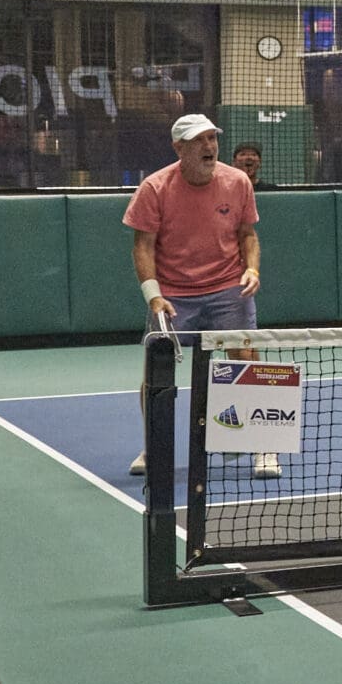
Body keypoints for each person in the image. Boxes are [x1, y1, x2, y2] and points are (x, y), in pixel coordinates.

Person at [123, 114, 275, 479]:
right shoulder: (154, 188)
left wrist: (252, 270)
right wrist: (153, 296)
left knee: (245, 359)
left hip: (227, 289)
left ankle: (263, 446)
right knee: (156, 370)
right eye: (199, 141)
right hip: (173, 295)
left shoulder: (237, 182)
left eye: (212, 138)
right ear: (179, 148)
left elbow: (248, 235)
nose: (209, 146)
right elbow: (142, 246)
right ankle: (154, 446)